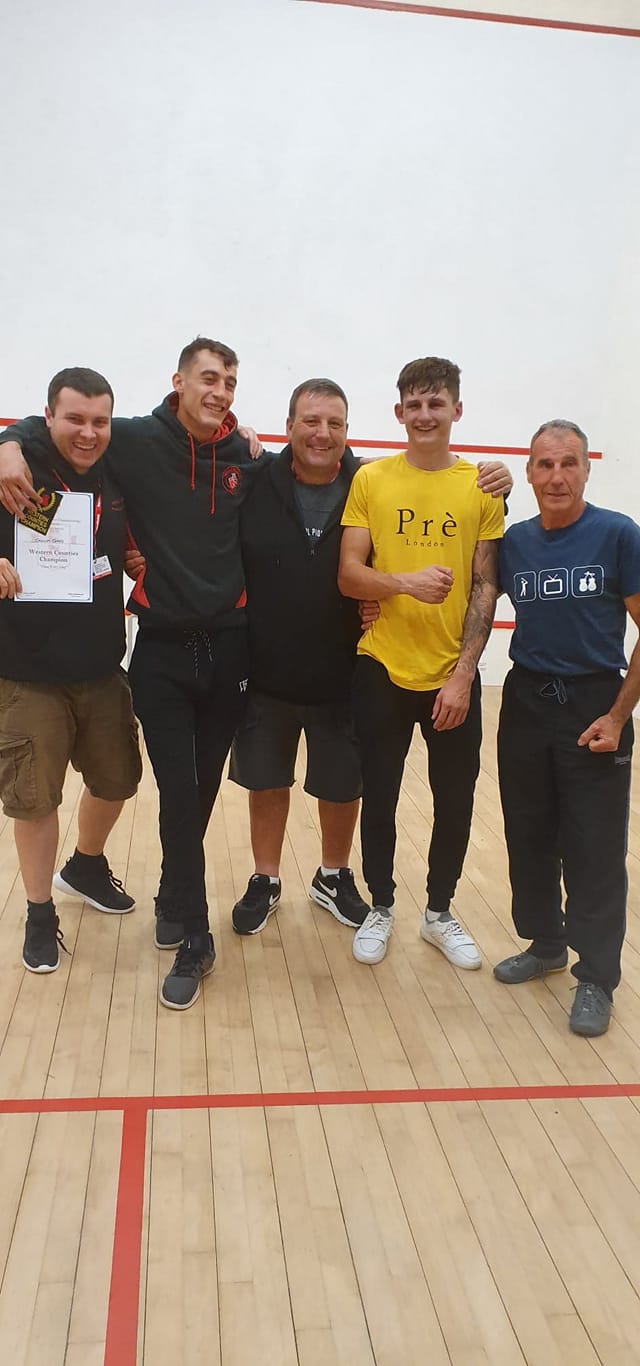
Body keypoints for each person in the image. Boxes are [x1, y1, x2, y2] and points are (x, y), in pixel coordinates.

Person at [0, 338, 264, 1010]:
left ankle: (131, 882)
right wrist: (6, 443)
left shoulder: (213, 457)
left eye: (230, 381)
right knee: (129, 795)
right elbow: (42, 427)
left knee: (157, 785)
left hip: (158, 659)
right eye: (208, 378)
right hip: (96, 662)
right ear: (179, 381)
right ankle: (157, 931)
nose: (220, 391)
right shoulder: (97, 449)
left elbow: (316, 464)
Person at [338, 356, 504, 967]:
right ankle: (381, 905)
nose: (425, 414)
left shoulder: (482, 487)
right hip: (381, 665)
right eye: (414, 404)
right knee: (378, 794)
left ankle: (438, 912)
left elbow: (485, 584)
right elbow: (349, 574)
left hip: (451, 677)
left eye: (436, 403)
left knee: (454, 799)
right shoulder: (371, 479)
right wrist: (405, 583)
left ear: (456, 409)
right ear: (399, 412)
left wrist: (463, 674)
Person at [493, 419, 640, 1037]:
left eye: (569, 463)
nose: (557, 476)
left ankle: (597, 977)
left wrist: (618, 714)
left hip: (593, 705)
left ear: (586, 469)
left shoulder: (617, 534)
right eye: (545, 464)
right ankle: (546, 943)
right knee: (528, 832)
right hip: (526, 700)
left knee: (593, 846)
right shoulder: (515, 542)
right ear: (529, 472)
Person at [0, 368, 141, 974]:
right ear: (47, 417)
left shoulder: (117, 468)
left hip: (102, 667)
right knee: (35, 799)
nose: (88, 433)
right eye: (74, 419)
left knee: (118, 780)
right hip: (26, 672)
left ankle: (85, 865)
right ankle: (39, 912)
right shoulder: (16, 467)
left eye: (99, 421)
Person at [228, 378, 370, 934]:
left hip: (345, 673)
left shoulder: (370, 484)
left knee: (343, 784)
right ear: (289, 426)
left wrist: (496, 482)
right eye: (311, 421)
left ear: (347, 430)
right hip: (265, 671)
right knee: (267, 782)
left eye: (334, 423)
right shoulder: (255, 478)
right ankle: (265, 878)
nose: (322, 433)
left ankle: (332, 876)